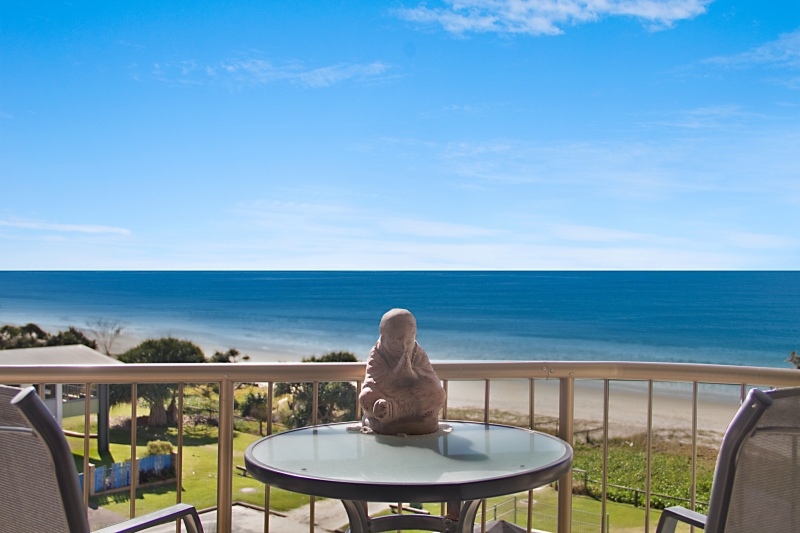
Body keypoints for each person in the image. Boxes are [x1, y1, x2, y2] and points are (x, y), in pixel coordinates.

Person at [359, 308, 446, 434]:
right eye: (396, 342)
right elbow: (373, 381)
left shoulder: (417, 352)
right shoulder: (378, 353)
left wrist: (412, 375)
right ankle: (388, 411)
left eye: (409, 341)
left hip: (412, 396)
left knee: (438, 394)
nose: (404, 347)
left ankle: (395, 411)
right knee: (366, 397)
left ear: (415, 337)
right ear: (383, 338)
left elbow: (430, 378)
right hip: (387, 395)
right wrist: (396, 375)